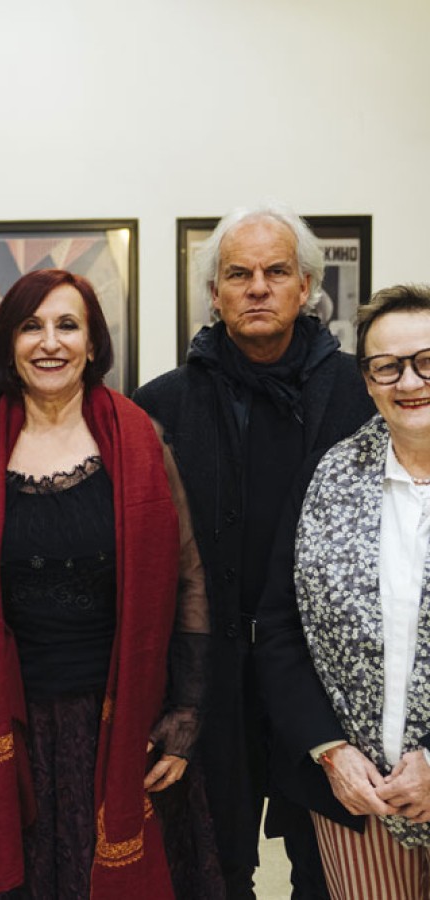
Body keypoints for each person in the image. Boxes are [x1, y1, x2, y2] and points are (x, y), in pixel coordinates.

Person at [0, 269, 217, 899]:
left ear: (92, 341)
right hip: (6, 716)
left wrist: (187, 710)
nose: (50, 342)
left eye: (67, 325)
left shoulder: (139, 438)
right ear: (8, 341)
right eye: (31, 326)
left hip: (117, 717)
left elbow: (187, 576)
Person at [134, 203, 375, 898]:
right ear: (215, 293)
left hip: (327, 688)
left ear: (307, 287)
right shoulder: (161, 407)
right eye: (239, 275)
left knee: (329, 876)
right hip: (210, 685)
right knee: (213, 874)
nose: (258, 287)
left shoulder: (363, 395)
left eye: (276, 272)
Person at [256, 285, 430, 898]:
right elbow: (279, 626)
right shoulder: (326, 476)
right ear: (367, 380)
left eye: (427, 361)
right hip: (359, 795)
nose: (410, 381)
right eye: (387, 366)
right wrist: (329, 749)